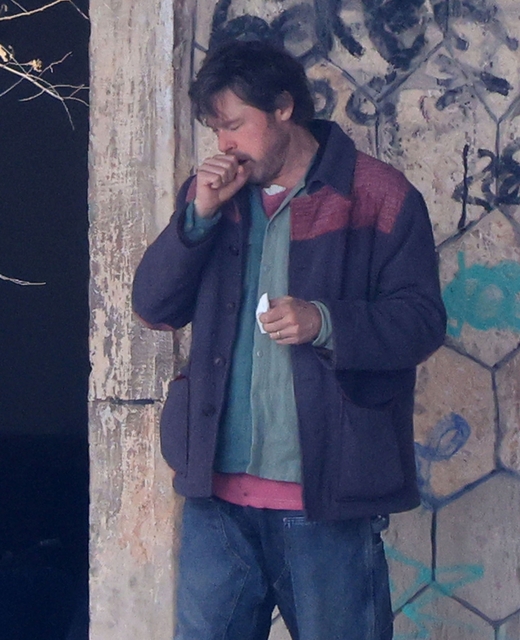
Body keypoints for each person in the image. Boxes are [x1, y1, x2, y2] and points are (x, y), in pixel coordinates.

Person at [132, 39, 446, 640]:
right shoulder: (210, 197)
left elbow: (422, 322)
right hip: (214, 496)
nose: (224, 144)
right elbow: (153, 308)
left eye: (234, 125)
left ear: (283, 108)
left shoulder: (378, 194)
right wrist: (196, 219)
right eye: (215, 129)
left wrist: (325, 322)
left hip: (326, 496)